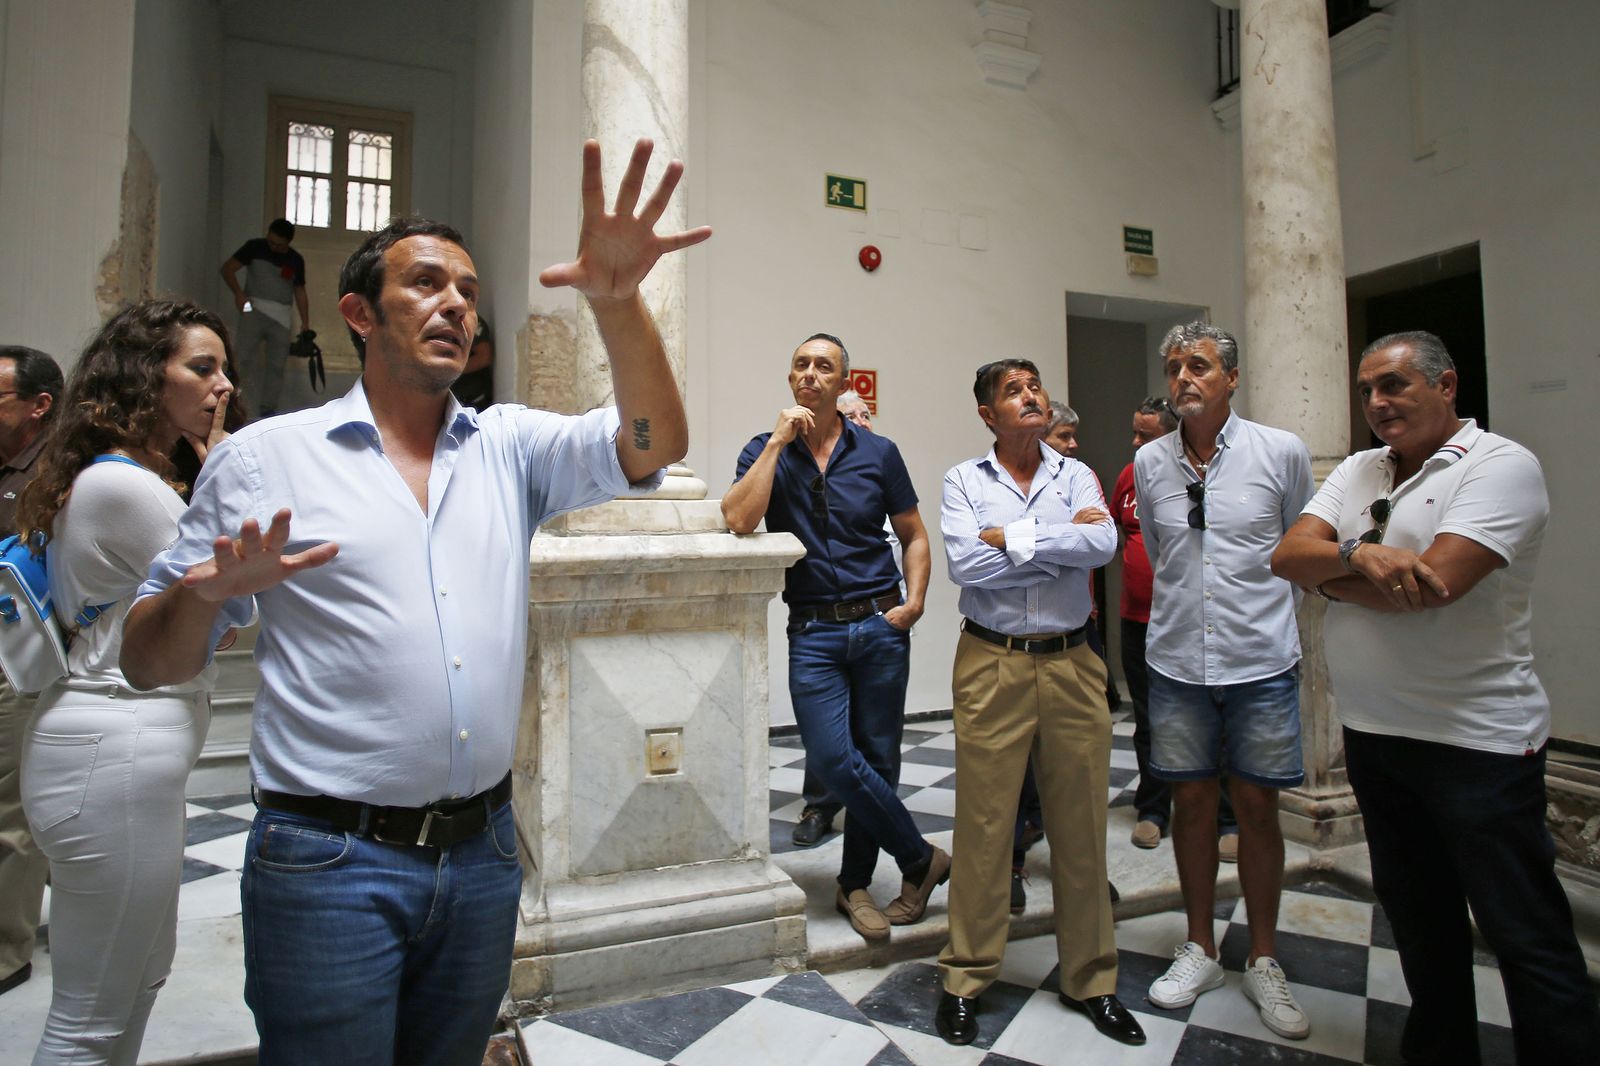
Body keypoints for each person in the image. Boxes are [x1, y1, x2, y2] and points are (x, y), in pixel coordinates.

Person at [122, 138, 707, 1065]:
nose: (456, 307)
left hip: (481, 859)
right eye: (427, 284)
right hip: (328, 863)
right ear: (357, 312)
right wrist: (203, 596)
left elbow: (652, 441)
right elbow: (147, 662)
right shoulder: (265, 459)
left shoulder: (509, 447)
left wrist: (616, 300)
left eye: (469, 293)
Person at [1271, 331, 1600, 1063]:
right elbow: (1286, 554)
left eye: (1394, 386)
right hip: (1377, 736)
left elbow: (1433, 589)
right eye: (1366, 391)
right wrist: (1360, 554)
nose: (1377, 405)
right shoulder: (1361, 469)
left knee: (1524, 933)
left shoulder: (1502, 467)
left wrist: (1329, 580)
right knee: (1422, 925)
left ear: (1446, 385)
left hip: (1476, 743)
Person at [15, 301, 232, 1063]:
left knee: (137, 979)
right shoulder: (128, 488)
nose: (222, 386)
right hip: (111, 749)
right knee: (91, 1017)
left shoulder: (133, 477)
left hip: (117, 752)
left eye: (223, 369)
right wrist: (224, 469)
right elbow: (230, 609)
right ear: (145, 378)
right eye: (200, 369)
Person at [935, 359, 1144, 1048]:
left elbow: (1103, 543)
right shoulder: (965, 481)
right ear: (988, 414)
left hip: (1071, 663)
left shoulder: (1076, 475)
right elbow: (967, 565)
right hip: (991, 660)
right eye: (1011, 392)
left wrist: (1013, 538)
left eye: (1034, 387)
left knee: (1082, 827)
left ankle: (1092, 978)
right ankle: (966, 977)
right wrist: (1059, 544)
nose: (1029, 398)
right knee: (986, 826)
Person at [723, 333, 946, 944]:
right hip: (814, 628)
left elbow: (914, 534)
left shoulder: (878, 453)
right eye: (801, 365)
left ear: (844, 382)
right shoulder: (763, 449)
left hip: (879, 623)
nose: (811, 375)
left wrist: (915, 601)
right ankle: (921, 859)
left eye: (824, 367)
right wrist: (775, 443)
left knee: (877, 762)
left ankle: (854, 887)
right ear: (790, 378)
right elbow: (739, 518)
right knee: (829, 759)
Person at [1134, 322, 1313, 1040]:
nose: (1184, 378)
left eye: (1200, 366)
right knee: (1192, 802)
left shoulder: (1280, 452)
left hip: (1260, 661)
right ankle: (1200, 945)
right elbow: (1158, 545)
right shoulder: (1151, 463)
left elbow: (1302, 545)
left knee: (1259, 807)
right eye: (1175, 366)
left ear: (1231, 378)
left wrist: (1262, 621)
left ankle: (1264, 958)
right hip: (1177, 659)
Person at [1116, 397, 1237, 854]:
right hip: (1137, 618)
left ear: (1171, 433)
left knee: (1215, 718)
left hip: (1196, 620)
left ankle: (1227, 820)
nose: (1134, 442)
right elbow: (1130, 532)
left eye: (1144, 434)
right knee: (1148, 719)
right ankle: (1152, 809)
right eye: (1134, 431)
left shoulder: (1210, 475)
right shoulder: (1133, 475)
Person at [0, 345, 63, 999]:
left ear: (37, 405)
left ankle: (6, 950)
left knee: (13, 809)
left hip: (19, 659)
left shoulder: (56, 475)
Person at [790, 387, 877, 849]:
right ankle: (819, 805)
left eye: (867, 414)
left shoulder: (877, 463)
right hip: (824, 621)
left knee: (873, 727)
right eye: (854, 415)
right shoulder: (812, 472)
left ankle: (872, 810)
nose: (863, 422)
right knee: (826, 730)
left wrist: (904, 607)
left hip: (880, 616)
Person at [220, 218, 309, 419]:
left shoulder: (296, 259)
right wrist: (238, 294)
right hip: (252, 308)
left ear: (288, 243)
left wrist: (305, 323)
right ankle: (231, 404)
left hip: (282, 316)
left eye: (279, 244)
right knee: (240, 358)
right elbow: (228, 269)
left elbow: (300, 291)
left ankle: (268, 410)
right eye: (271, 242)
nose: (273, 247)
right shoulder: (254, 247)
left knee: (277, 366)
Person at [449, 318, 494, 412]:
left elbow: (483, 357)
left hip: (474, 399)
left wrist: (448, 370)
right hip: (448, 400)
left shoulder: (472, 321)